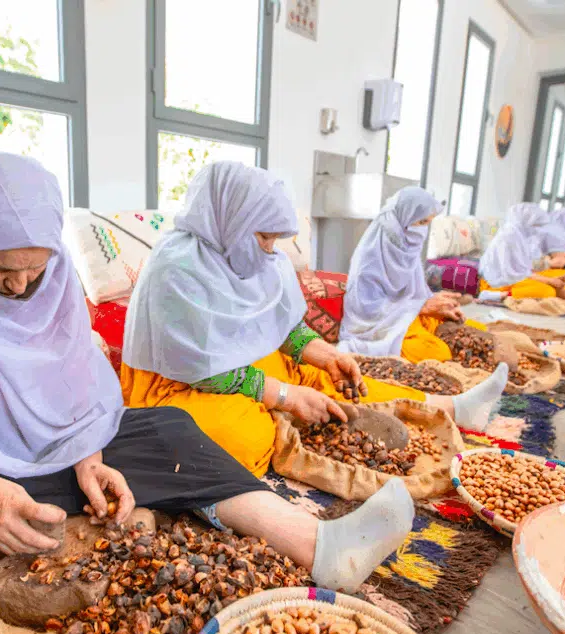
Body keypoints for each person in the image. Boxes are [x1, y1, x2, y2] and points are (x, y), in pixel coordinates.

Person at [0, 152, 423, 622]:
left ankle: (316, 542)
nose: (24, 286)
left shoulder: (49, 272)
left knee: (169, 433)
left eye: (36, 268)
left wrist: (88, 453)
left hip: (37, 458)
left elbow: (76, 389)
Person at [121, 162, 508, 478]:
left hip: (240, 366)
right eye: (264, 238)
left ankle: (450, 406)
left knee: (327, 378)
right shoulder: (176, 270)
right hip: (173, 385)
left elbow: (282, 327)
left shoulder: (260, 259)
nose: (271, 251)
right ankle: (279, 429)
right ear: (229, 220)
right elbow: (198, 368)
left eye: (276, 240)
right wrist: (283, 395)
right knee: (246, 435)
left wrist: (321, 352)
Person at [338, 187, 488, 363]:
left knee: (477, 330)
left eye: (428, 223)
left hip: (409, 318)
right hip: (382, 328)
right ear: (403, 219)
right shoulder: (370, 256)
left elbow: (416, 293)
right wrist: (422, 307)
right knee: (438, 353)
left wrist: (437, 302)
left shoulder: (407, 249)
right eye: (421, 222)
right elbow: (366, 312)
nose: (423, 230)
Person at [478, 203, 565, 300]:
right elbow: (516, 274)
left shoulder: (521, 237)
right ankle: (495, 296)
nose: (537, 229)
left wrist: (549, 278)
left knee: (564, 278)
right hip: (498, 283)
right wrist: (548, 281)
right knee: (546, 291)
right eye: (535, 225)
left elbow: (528, 268)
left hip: (520, 277)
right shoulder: (508, 238)